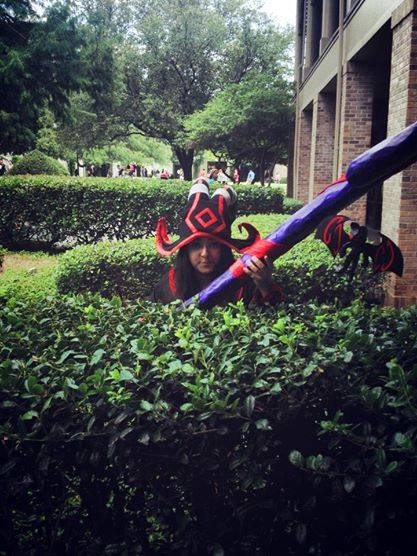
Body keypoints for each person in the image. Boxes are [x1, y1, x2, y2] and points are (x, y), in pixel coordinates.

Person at [149, 178, 284, 307]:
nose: (205, 253)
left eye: (213, 244)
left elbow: (274, 314)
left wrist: (265, 286)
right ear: (186, 249)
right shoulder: (167, 287)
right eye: (196, 245)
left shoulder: (244, 282)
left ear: (223, 248)